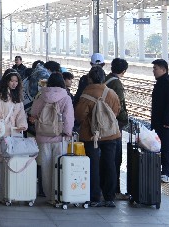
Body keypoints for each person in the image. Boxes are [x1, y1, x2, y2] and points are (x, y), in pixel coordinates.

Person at [75, 65, 121, 207]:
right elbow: (116, 111)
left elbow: (79, 115)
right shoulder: (111, 93)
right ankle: (109, 197)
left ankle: (94, 197)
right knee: (110, 164)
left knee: (92, 165)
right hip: (110, 134)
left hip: (91, 136)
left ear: (90, 78)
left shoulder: (86, 94)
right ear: (103, 78)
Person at [29, 72, 75, 204]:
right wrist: (67, 132)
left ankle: (49, 196)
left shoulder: (42, 96)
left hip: (43, 137)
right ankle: (58, 195)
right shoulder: (66, 98)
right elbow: (68, 118)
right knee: (59, 166)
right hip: (59, 138)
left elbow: (34, 113)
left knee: (46, 167)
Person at [0, 70, 28, 164]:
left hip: (13, 133)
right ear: (6, 81)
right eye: (12, 81)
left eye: (16, 81)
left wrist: (22, 125)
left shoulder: (17, 97)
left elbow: (21, 113)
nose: (14, 83)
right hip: (0, 132)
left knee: (11, 162)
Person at [151, 59, 169, 183]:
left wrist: (167, 122)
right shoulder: (159, 83)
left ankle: (167, 172)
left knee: (166, 147)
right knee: (158, 146)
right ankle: (160, 170)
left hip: (166, 123)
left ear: (163, 69)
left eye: (155, 68)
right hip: (157, 122)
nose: (154, 71)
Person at [105, 58, 130, 199]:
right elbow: (120, 106)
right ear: (123, 71)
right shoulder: (116, 84)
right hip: (114, 126)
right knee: (115, 158)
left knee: (107, 158)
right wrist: (124, 121)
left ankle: (107, 189)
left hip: (103, 124)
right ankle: (115, 191)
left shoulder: (106, 79)